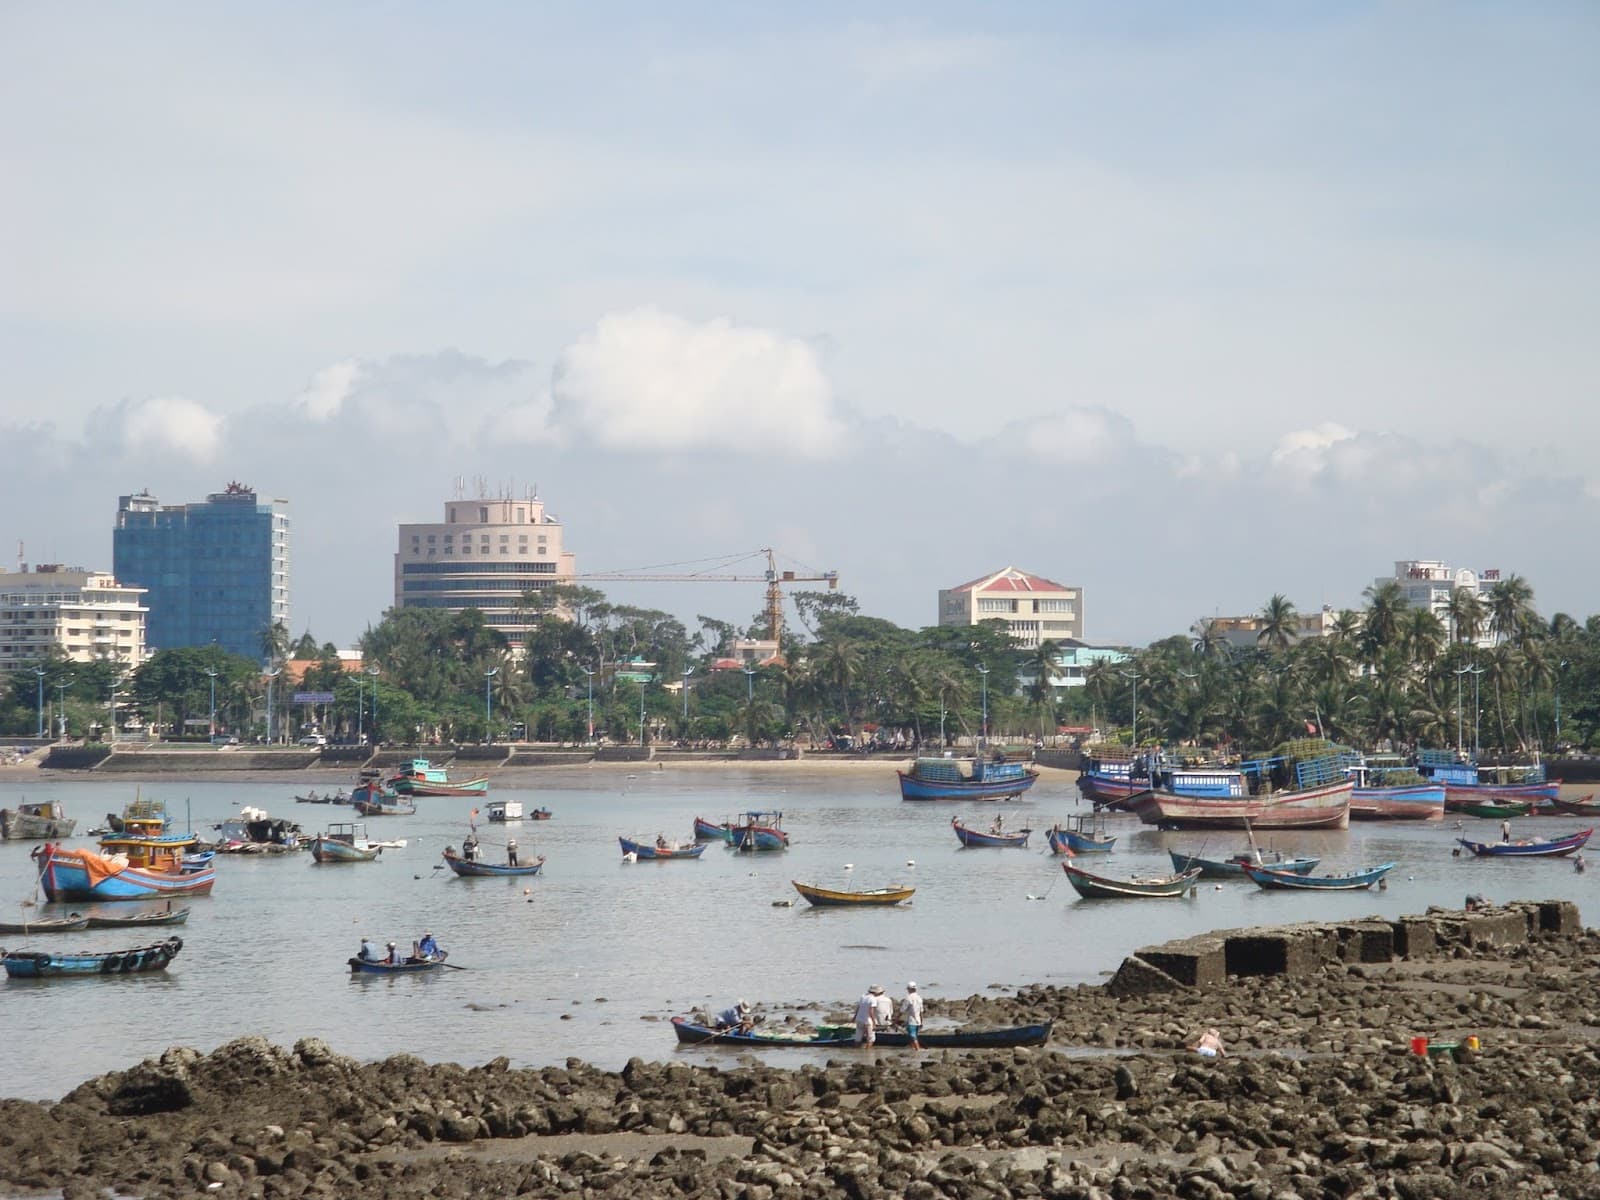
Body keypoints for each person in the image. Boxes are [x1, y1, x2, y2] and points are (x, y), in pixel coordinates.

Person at [900, 982, 924, 1050]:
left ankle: (917, 1049)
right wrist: (921, 1021)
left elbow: (902, 1010)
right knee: (913, 1036)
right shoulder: (919, 998)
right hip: (918, 1020)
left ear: (909, 989)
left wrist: (896, 1019)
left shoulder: (908, 998)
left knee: (913, 1036)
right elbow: (921, 1011)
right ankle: (913, 1048)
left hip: (911, 1021)